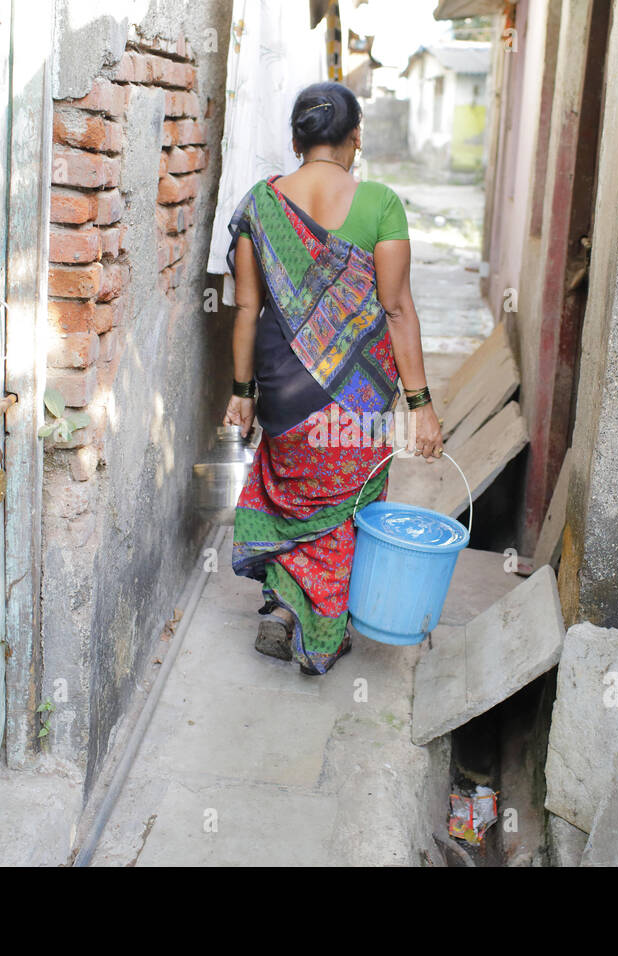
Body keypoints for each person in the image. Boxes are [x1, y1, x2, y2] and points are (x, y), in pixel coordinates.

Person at [222, 81, 444, 676]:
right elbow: (396, 309)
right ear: (356, 138)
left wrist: (242, 394)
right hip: (356, 393)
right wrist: (420, 403)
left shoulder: (260, 205)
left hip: (282, 385)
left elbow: (247, 309)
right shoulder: (381, 204)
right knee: (343, 505)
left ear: (296, 140)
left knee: (291, 488)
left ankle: (281, 606)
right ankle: (319, 630)